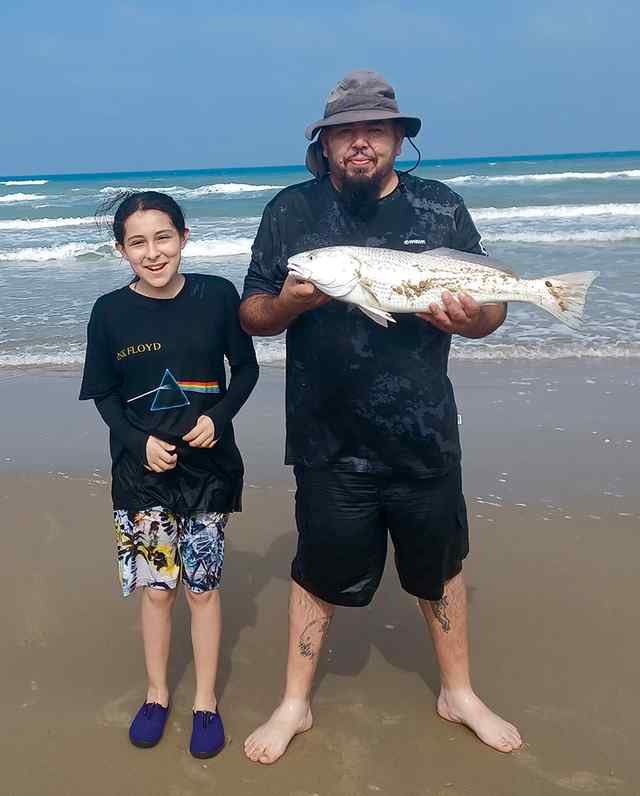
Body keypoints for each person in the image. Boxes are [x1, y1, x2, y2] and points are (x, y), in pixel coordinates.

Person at [239, 69, 522, 764]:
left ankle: (458, 691)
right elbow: (252, 313)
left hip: (424, 430)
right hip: (327, 435)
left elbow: (490, 309)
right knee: (316, 569)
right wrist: (291, 303)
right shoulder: (290, 214)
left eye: (374, 130)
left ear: (398, 139)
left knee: (441, 566)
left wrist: (474, 317)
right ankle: (295, 702)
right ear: (325, 143)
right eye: (345, 133)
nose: (359, 144)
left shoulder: (440, 209)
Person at [79, 191, 258, 758]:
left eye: (162, 237)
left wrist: (218, 416)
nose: (152, 253)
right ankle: (157, 695)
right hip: (142, 476)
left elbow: (246, 368)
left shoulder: (217, 296)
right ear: (121, 250)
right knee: (157, 591)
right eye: (137, 243)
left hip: (208, 470)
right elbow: (103, 392)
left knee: (202, 589)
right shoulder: (109, 312)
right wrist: (138, 442)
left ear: (184, 236)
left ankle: (205, 701)